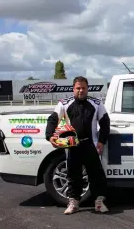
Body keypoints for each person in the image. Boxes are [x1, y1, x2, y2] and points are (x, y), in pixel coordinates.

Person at [45, 76, 110, 215]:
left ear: (88, 88)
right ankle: (74, 202)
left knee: (96, 175)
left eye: (83, 88)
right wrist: (50, 136)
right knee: (73, 175)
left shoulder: (96, 103)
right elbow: (53, 119)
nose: (81, 91)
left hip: (91, 144)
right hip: (72, 145)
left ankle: (99, 203)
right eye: (78, 88)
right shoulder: (64, 103)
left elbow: (105, 122)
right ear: (73, 89)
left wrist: (101, 141)